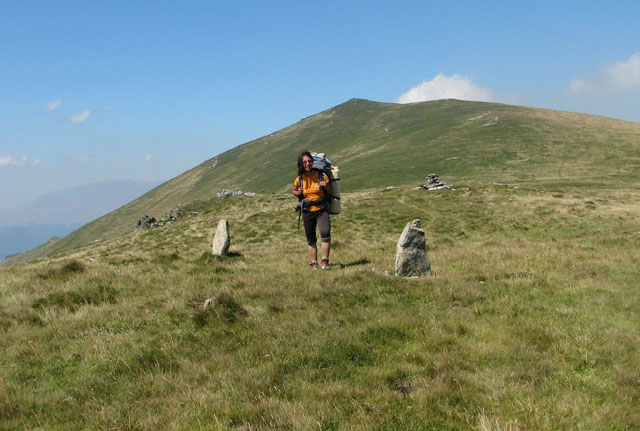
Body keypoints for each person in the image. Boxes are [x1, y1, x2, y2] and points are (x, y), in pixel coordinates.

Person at [292, 151, 332, 270]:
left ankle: (325, 261)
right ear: (301, 164)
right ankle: (314, 263)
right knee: (311, 239)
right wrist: (298, 192)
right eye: (304, 162)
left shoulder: (321, 175)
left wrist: (325, 185)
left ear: (312, 162)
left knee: (325, 233)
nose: (307, 163)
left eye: (309, 161)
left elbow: (330, 190)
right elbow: (294, 190)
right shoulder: (300, 178)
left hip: (321, 209)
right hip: (307, 211)